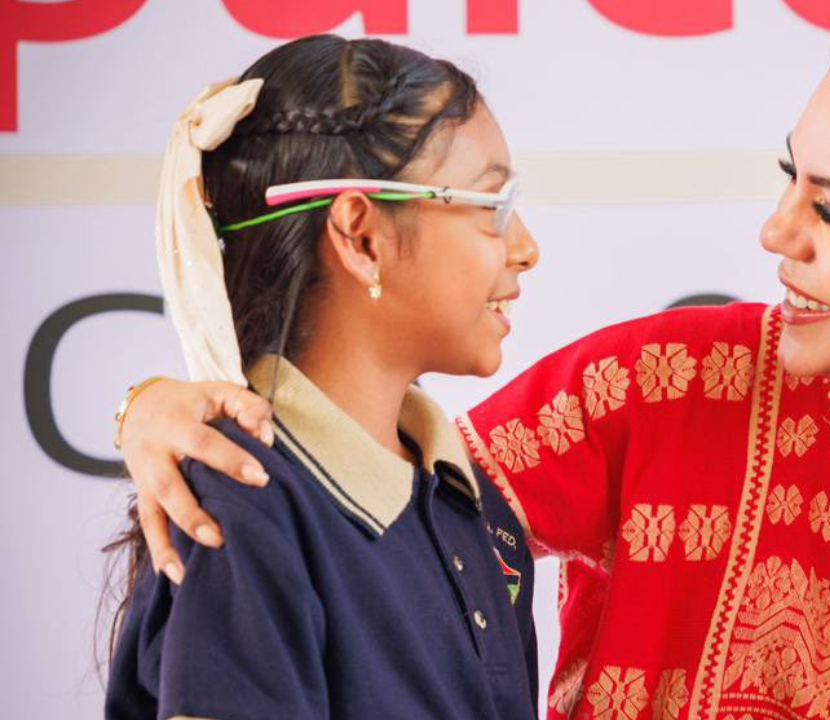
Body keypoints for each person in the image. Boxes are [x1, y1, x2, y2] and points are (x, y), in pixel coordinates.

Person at [116, 2, 830, 718]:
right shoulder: (672, 385)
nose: (772, 236)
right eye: (786, 178)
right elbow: (367, 512)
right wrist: (178, 403)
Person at [104, 34, 541, 719]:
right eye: (493, 207)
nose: (526, 249)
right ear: (361, 237)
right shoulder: (239, 502)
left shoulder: (480, 512)